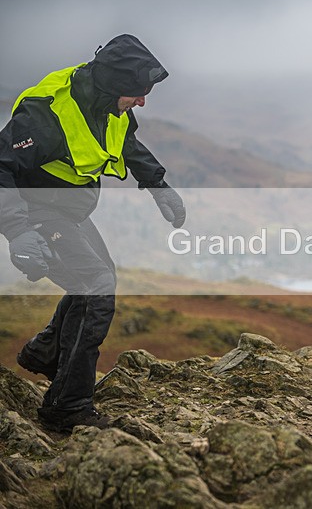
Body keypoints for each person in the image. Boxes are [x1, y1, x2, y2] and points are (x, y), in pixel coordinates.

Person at [0, 34, 186, 433]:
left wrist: (157, 184)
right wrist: (17, 232)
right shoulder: (44, 116)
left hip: (70, 210)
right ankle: (67, 406)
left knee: (102, 275)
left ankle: (46, 355)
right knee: (96, 285)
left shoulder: (106, 103)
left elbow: (126, 141)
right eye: (137, 93)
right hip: (39, 212)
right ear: (115, 84)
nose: (142, 101)